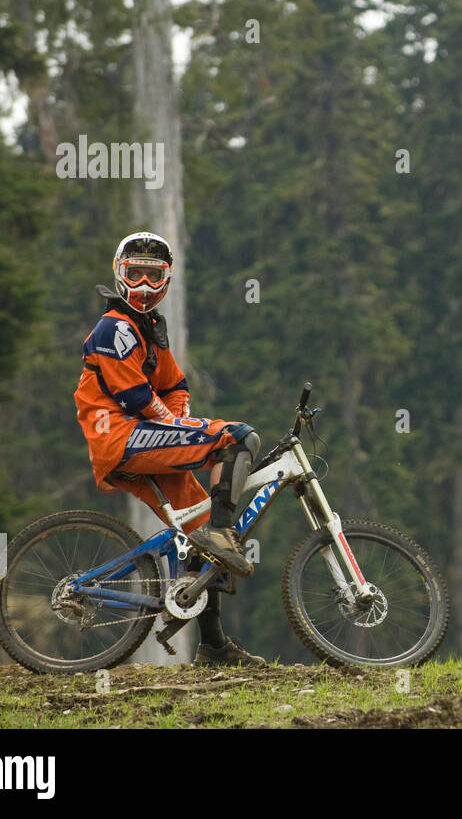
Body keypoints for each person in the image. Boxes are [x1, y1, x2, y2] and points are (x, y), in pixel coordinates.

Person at [73, 231, 265, 666]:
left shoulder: (149, 331)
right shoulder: (114, 328)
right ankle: (219, 532)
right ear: (120, 276)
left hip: (139, 437)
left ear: (166, 278)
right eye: (134, 274)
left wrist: (177, 419)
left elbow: (174, 384)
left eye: (152, 275)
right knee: (237, 437)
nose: (143, 284)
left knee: (199, 527)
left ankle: (213, 645)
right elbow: (138, 397)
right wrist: (176, 423)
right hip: (121, 437)